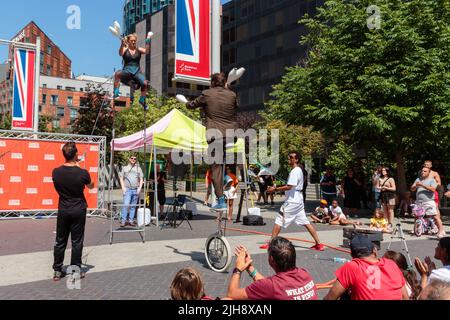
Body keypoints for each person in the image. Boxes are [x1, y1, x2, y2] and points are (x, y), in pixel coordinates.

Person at [186, 73, 238, 211]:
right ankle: (227, 179)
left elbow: (192, 105)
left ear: (213, 83)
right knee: (224, 162)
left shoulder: (206, 93)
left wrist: (186, 102)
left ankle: (220, 199)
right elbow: (234, 107)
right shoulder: (232, 94)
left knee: (215, 168)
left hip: (215, 134)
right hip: (231, 134)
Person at [260, 152, 324, 251]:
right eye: (289, 157)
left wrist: (275, 189)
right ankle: (318, 244)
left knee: (279, 220)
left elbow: (290, 186)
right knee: (306, 222)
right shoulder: (298, 170)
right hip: (298, 200)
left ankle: (271, 243)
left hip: (292, 201)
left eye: (291, 157)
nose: (288, 159)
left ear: (296, 159)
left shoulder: (295, 171)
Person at [52, 142, 95, 281]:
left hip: (64, 209)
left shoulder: (56, 172)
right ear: (76, 155)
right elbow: (91, 186)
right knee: (77, 241)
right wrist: (80, 167)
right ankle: (75, 270)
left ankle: (57, 270)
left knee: (60, 240)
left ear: (64, 155)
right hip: (78, 209)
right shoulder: (82, 172)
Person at [227, 237, 318, 300]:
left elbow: (232, 294)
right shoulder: (304, 273)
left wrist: (238, 269)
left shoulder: (272, 286)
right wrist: (249, 267)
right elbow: (269, 288)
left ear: (271, 259)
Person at [324, 234, 409, 300]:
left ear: (352, 255)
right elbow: (405, 297)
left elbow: (330, 298)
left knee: (346, 294)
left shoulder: (352, 267)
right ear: (374, 250)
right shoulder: (392, 264)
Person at [114, 33, 151, 110]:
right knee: (117, 74)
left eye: (135, 41)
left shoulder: (138, 49)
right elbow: (120, 53)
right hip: (127, 71)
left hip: (137, 72)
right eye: (132, 41)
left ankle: (142, 100)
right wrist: (121, 44)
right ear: (128, 41)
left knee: (144, 83)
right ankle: (116, 92)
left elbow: (147, 51)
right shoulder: (125, 49)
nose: (133, 42)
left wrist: (148, 40)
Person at [411, 166, 445, 238]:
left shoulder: (432, 180)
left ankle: (441, 231)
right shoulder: (418, 179)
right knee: (417, 216)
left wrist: (422, 185)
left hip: (429, 201)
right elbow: (412, 188)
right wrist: (415, 186)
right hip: (419, 201)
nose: (422, 172)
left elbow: (433, 189)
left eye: (425, 171)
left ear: (429, 173)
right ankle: (417, 230)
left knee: (435, 217)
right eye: (422, 171)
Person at [422, 160, 446, 238]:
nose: (426, 166)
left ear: (431, 165)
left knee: (435, 210)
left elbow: (439, 184)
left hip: (434, 193)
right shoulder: (422, 172)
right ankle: (431, 226)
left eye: (428, 165)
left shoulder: (434, 173)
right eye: (425, 164)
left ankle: (441, 229)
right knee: (426, 211)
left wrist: (430, 185)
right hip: (425, 194)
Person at [119, 155, 144, 227]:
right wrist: (123, 188)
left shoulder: (138, 169)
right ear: (129, 159)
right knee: (126, 205)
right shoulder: (125, 168)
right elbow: (121, 177)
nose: (133, 159)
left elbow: (141, 178)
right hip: (128, 189)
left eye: (135, 159)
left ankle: (131, 220)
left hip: (135, 189)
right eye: (132, 158)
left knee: (133, 206)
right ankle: (123, 221)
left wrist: (139, 188)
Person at [378, 167, 396, 231]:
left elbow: (394, 188)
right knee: (384, 210)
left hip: (390, 195)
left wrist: (386, 188)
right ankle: (385, 223)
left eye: (384, 170)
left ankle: (390, 224)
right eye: (382, 170)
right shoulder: (380, 178)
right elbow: (377, 186)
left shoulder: (391, 179)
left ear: (387, 171)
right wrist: (380, 188)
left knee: (390, 210)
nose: (383, 171)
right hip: (383, 195)